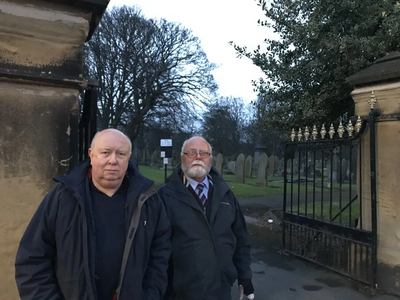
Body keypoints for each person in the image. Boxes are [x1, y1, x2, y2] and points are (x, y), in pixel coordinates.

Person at [15, 128, 171, 300]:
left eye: (120, 154)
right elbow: (32, 259)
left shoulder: (149, 201)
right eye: (105, 152)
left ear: (129, 157)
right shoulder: (63, 197)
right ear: (91, 154)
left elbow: (160, 257)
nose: (113, 161)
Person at [158, 136, 254, 300]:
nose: (198, 157)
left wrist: (244, 276)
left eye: (204, 153)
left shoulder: (225, 194)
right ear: (182, 157)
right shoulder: (165, 196)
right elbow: (156, 247)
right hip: (179, 292)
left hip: (220, 288)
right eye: (192, 153)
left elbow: (241, 238)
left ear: (211, 158)